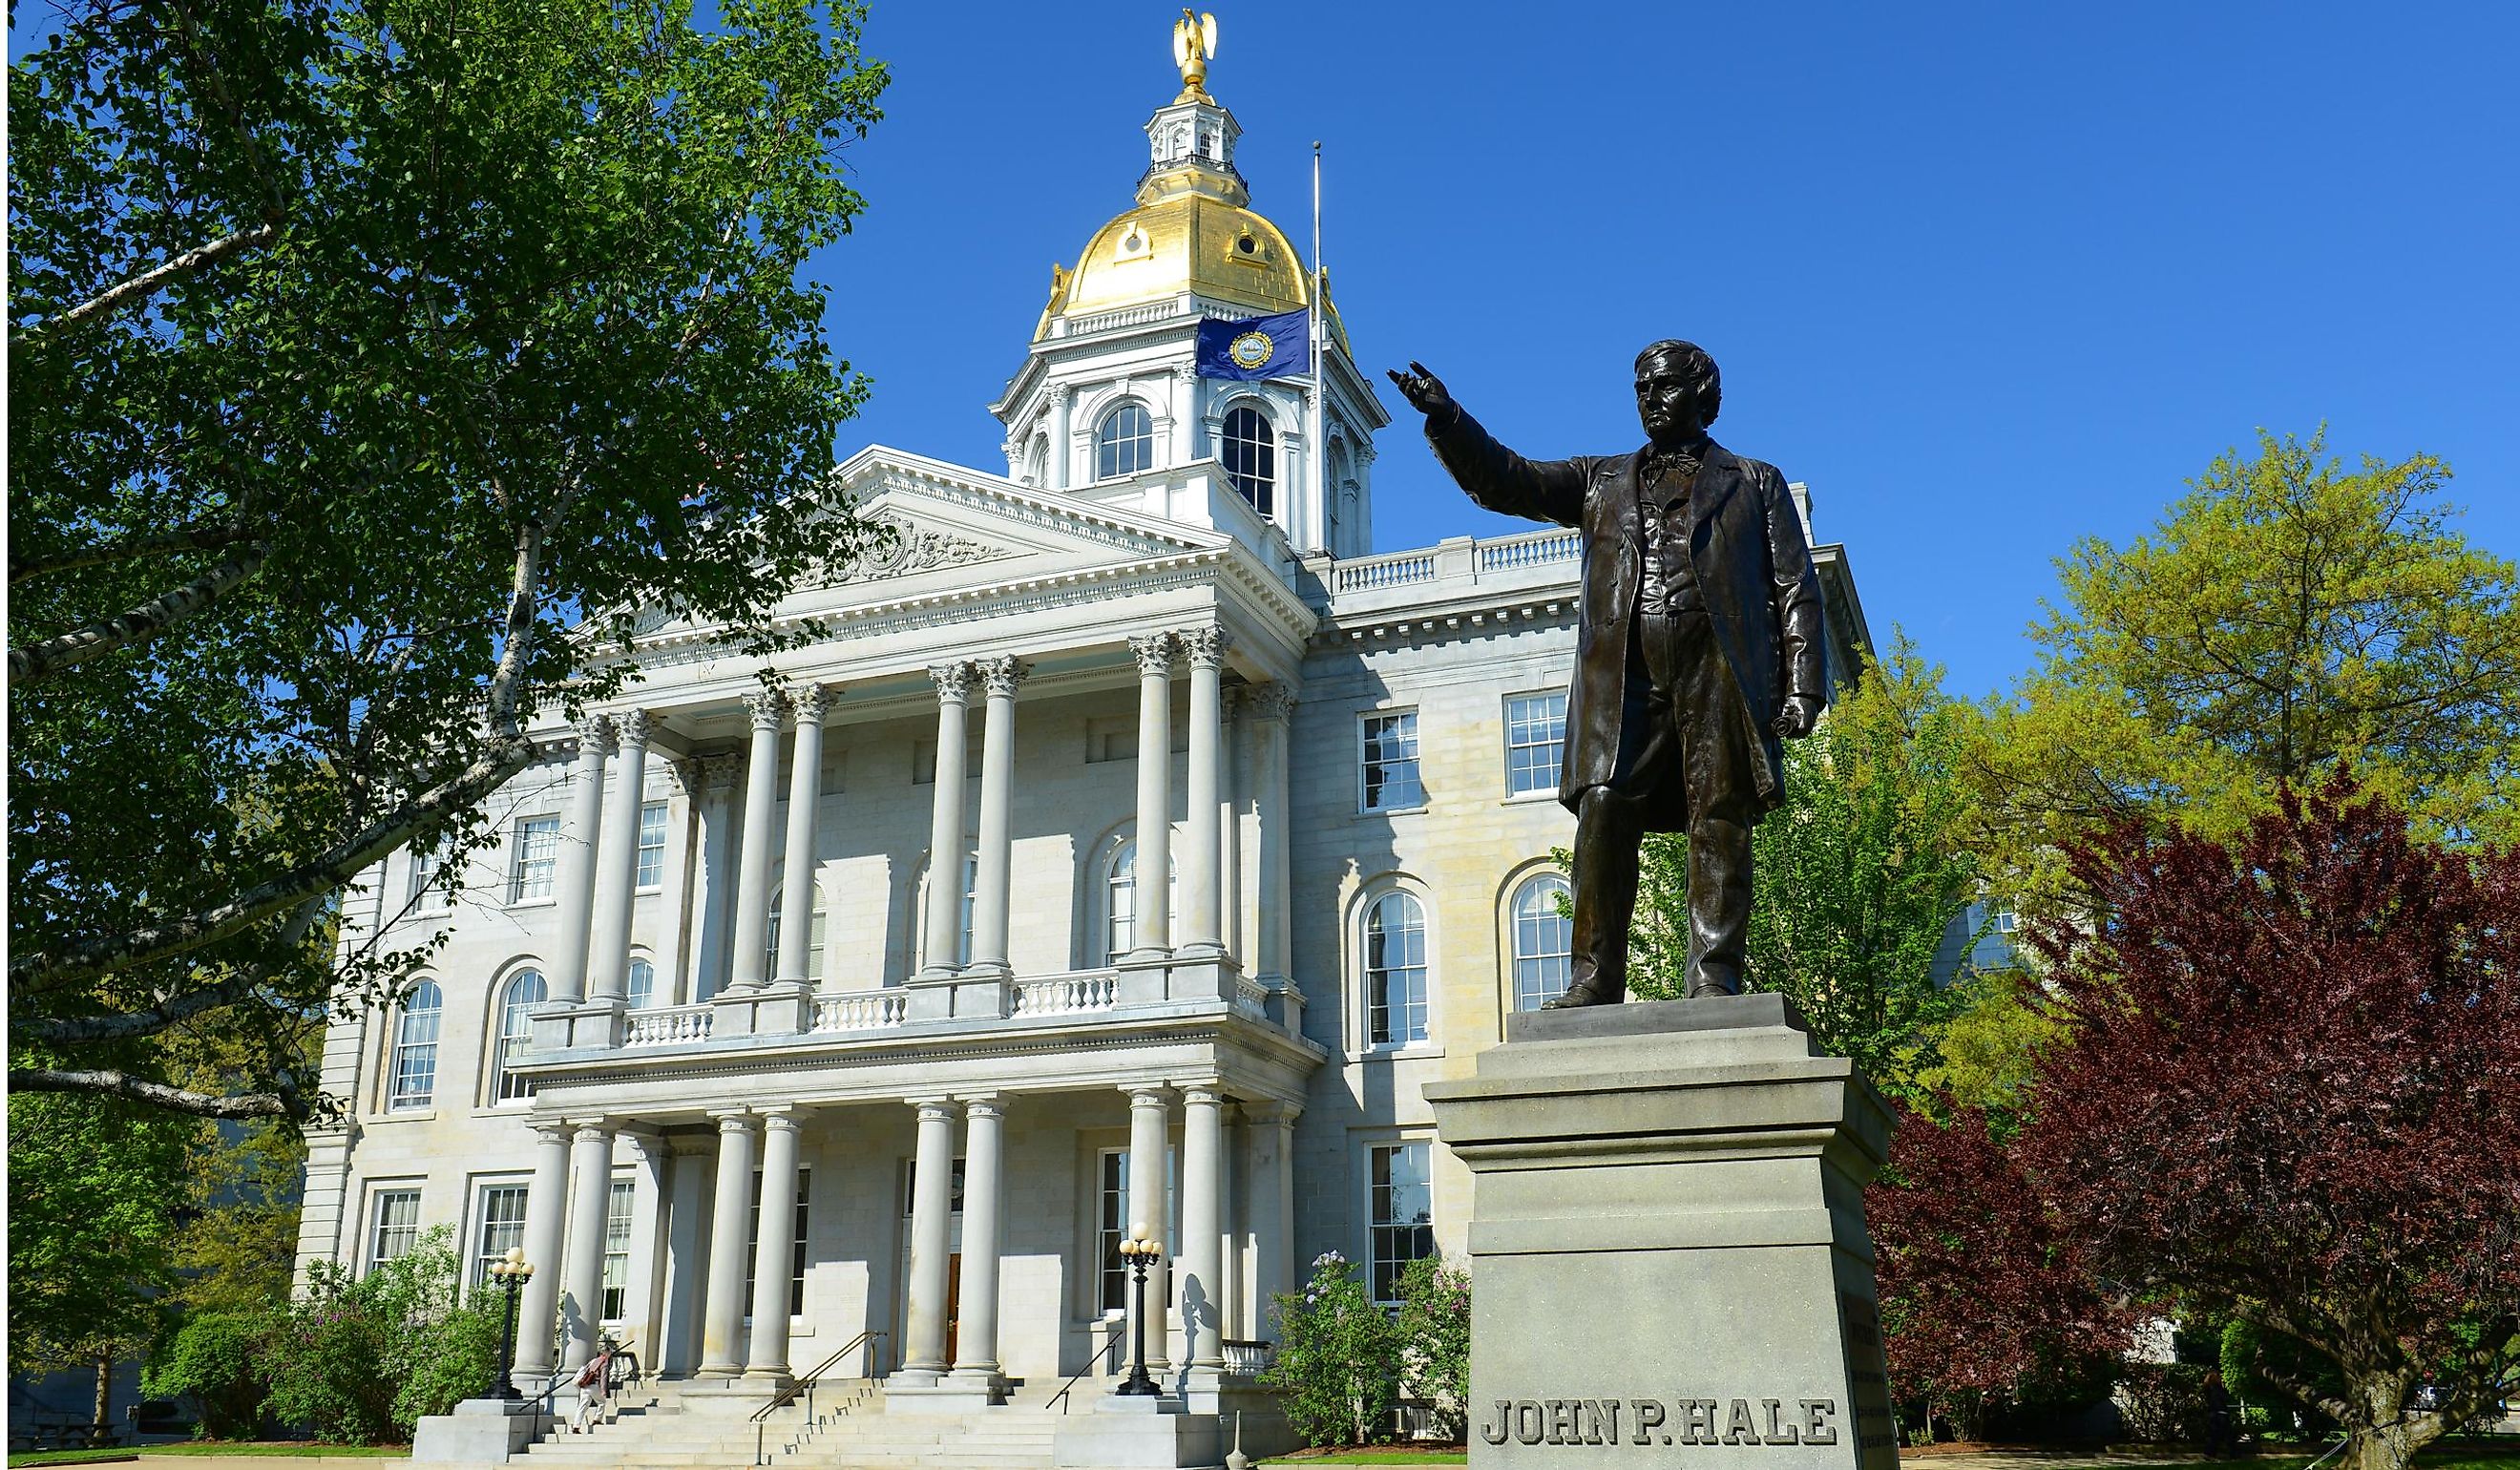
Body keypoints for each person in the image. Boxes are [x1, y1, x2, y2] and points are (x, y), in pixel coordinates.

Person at [1388, 342, 1826, 1002]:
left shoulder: (1754, 481)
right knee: (1602, 810)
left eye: (1665, 387)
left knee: (1720, 819)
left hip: (1719, 672)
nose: (1649, 399)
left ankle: (1714, 977)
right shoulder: (1603, 480)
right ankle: (1594, 979)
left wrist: (1802, 686)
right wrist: (1449, 419)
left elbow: (1796, 589)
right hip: (1625, 679)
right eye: (1641, 388)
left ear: (1703, 395)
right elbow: (1509, 480)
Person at [571, 1340, 616, 1434]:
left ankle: (576, 1426)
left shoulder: (593, 1361)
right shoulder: (604, 1363)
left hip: (584, 1385)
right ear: (607, 1353)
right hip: (594, 1385)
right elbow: (603, 1378)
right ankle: (597, 1420)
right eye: (609, 1353)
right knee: (602, 1402)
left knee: (582, 1406)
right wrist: (603, 1391)